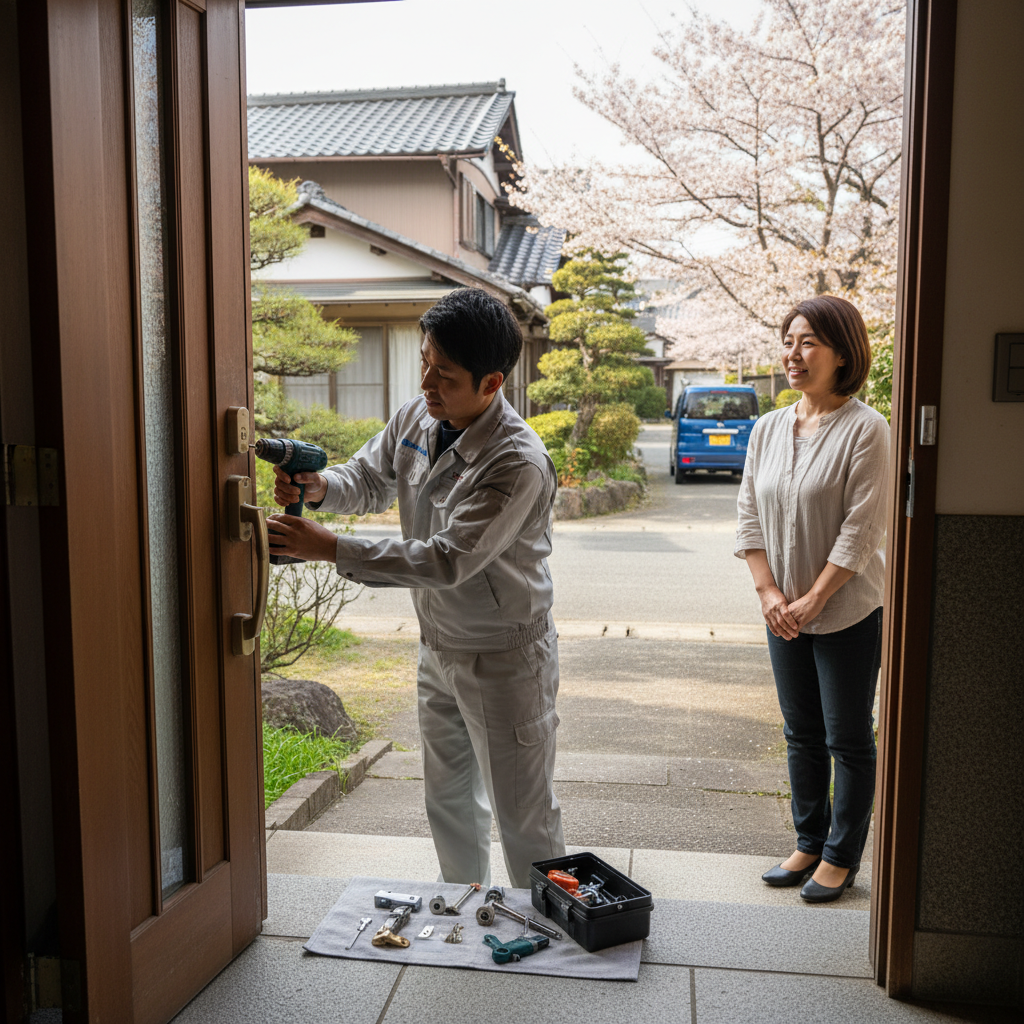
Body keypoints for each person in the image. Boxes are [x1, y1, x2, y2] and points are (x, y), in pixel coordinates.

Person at [265, 287, 565, 889]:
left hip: (504, 654)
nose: (428, 383)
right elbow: (369, 477)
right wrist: (322, 486)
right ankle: (465, 911)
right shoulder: (418, 416)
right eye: (424, 362)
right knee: (449, 799)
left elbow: (447, 560)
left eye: (445, 375)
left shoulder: (516, 462)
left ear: (491, 383)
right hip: (438, 643)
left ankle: (547, 943)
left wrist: (330, 548)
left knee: (522, 814)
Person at [735, 295, 889, 903]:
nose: (793, 354)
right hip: (782, 611)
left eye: (808, 343)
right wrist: (770, 592)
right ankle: (808, 839)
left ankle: (841, 856)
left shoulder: (866, 427)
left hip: (848, 609)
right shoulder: (768, 428)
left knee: (846, 734)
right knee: (799, 731)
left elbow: (862, 529)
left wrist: (817, 596)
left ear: (842, 354)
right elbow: (749, 515)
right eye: (789, 340)